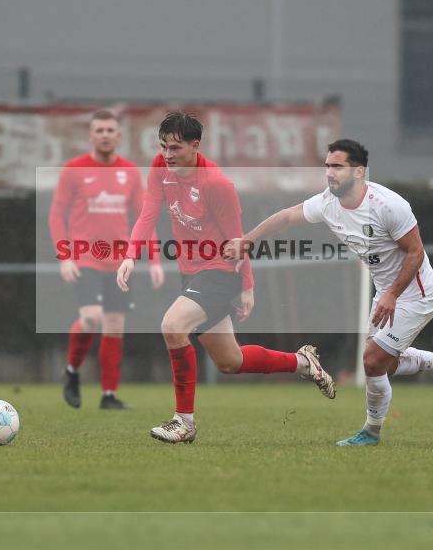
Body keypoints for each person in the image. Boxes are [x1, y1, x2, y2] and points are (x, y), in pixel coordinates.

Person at [224, 139, 433, 447]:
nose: (329, 173)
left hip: (416, 293)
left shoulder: (389, 206)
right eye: (327, 166)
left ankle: (371, 431)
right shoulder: (328, 202)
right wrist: (248, 241)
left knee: (371, 362)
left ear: (359, 172)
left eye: (337, 167)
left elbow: (416, 253)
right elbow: (288, 216)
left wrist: (393, 294)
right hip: (387, 291)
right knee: (387, 364)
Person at [116, 112, 335, 444]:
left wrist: (247, 285)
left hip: (220, 273)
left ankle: (184, 422)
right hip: (191, 275)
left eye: (175, 147)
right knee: (231, 361)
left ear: (195, 145)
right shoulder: (161, 169)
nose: (167, 155)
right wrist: (131, 254)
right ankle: (303, 363)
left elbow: (238, 240)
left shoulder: (216, 184)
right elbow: (148, 212)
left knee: (172, 326)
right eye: (163, 146)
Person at [49, 109, 164, 410]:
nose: (104, 135)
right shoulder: (74, 169)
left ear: (118, 135)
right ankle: (72, 372)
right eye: (99, 130)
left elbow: (144, 217)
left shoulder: (129, 172)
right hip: (85, 258)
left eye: (109, 130)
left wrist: (153, 260)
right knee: (91, 319)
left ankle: (108, 396)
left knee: (114, 326)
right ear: (90, 135)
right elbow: (56, 215)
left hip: (118, 261)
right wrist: (65, 256)